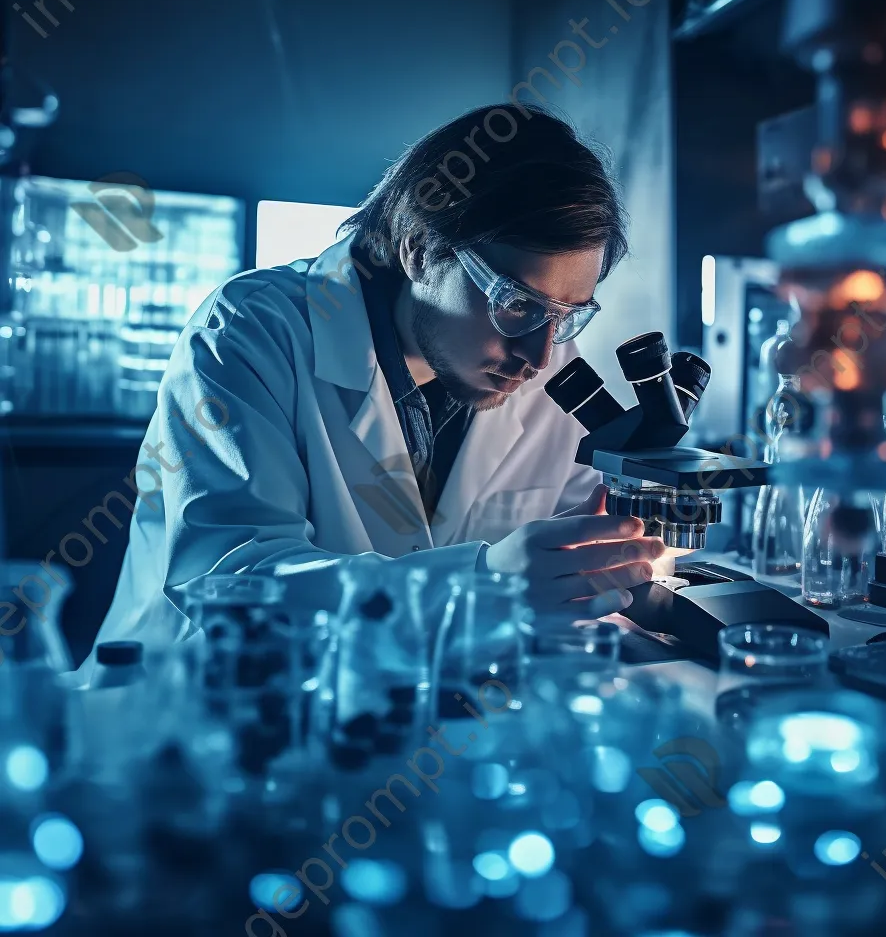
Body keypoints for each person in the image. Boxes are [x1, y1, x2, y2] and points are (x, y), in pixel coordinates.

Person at [79, 103, 668, 674]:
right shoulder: (251, 333)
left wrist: (617, 572)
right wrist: (482, 586)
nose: (539, 355)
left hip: (411, 713)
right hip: (200, 713)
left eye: (567, 314)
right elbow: (233, 586)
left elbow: (572, 533)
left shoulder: (545, 353)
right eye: (514, 303)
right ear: (417, 248)